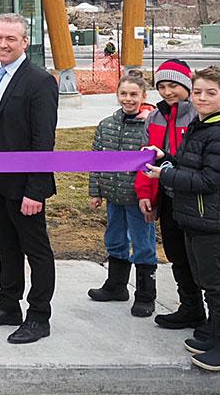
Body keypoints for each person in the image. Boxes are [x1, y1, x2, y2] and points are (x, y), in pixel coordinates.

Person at [143, 67, 220, 372]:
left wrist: (167, 174)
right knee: (204, 280)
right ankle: (216, 336)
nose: (203, 97)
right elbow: (189, 164)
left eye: (211, 93)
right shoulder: (201, 127)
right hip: (194, 218)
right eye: (199, 91)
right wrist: (164, 156)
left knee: (217, 284)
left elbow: (209, 181)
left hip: (210, 220)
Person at [0, 13, 57, 344]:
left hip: (24, 188)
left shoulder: (40, 81)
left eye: (10, 39)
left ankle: (38, 316)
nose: (2, 44)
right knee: (6, 247)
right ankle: (8, 305)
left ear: (24, 42)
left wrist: (35, 190)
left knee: (36, 251)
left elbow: (43, 139)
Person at [135, 58, 203, 330]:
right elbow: (145, 159)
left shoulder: (198, 115)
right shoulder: (155, 116)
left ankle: (213, 314)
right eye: (161, 86)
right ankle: (190, 307)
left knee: (198, 258)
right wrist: (147, 196)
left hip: (194, 198)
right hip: (167, 197)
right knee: (176, 254)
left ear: (187, 85)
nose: (167, 92)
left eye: (173, 85)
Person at [87, 74, 158, 317]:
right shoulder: (106, 124)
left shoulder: (150, 126)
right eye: (124, 94)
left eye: (133, 94)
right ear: (117, 95)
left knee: (143, 244)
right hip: (112, 195)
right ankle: (116, 286)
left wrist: (149, 196)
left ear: (143, 97)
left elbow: (153, 163)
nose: (128, 99)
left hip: (138, 198)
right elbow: (96, 160)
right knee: (115, 240)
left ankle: (146, 295)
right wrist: (96, 191)